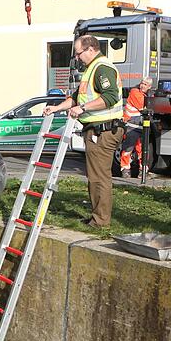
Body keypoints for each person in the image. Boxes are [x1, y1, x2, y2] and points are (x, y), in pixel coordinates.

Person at [43, 35, 123, 227]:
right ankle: (98, 216)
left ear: (90, 49)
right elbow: (77, 97)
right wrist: (57, 108)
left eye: (79, 53)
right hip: (96, 130)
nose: (77, 58)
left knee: (98, 178)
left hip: (103, 131)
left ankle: (100, 221)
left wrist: (83, 108)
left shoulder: (102, 68)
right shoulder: (91, 70)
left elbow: (110, 97)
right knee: (95, 176)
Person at [118, 77, 152, 177]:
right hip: (131, 126)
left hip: (141, 126)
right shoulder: (135, 92)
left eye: (145, 84)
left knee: (142, 150)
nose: (142, 85)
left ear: (149, 87)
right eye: (142, 83)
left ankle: (143, 171)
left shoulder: (146, 95)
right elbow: (143, 107)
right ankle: (125, 169)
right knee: (128, 148)